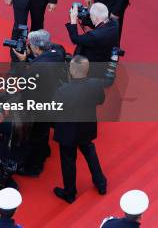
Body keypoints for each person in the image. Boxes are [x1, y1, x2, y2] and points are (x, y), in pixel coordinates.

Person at [52, 55, 107, 204]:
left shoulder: (63, 90)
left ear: (71, 70)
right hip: (86, 127)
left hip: (68, 131)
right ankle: (101, 183)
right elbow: (101, 100)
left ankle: (69, 193)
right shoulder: (96, 84)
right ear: (87, 69)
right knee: (90, 152)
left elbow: (55, 110)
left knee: (68, 161)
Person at [12, 30, 66, 176]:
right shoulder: (58, 51)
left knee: (36, 133)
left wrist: (23, 61)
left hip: (40, 103)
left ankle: (35, 167)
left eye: (30, 45)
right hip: (54, 97)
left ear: (36, 48)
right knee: (43, 130)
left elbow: (23, 83)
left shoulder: (38, 66)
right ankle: (45, 151)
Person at [66, 3, 119, 76]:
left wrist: (73, 20)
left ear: (94, 17)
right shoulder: (114, 24)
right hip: (105, 60)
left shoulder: (94, 36)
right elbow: (98, 24)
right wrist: (83, 19)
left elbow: (75, 39)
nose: (90, 17)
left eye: (90, 15)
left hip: (93, 67)